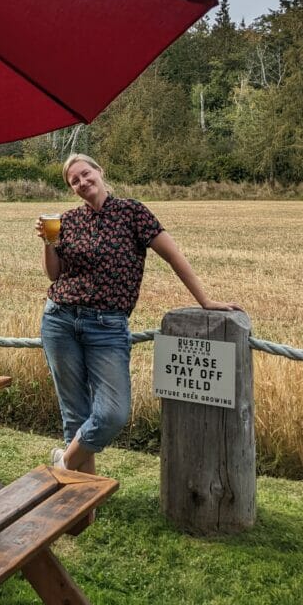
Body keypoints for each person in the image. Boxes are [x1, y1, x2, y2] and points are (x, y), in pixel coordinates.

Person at [36, 153, 243, 475]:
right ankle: (81, 505)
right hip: (59, 319)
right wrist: (49, 242)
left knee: (112, 414)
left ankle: (62, 464)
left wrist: (206, 301)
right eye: (73, 180)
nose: (82, 182)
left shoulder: (132, 212)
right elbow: (54, 275)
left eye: (85, 174)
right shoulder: (68, 220)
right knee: (75, 414)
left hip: (107, 325)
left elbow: (174, 256)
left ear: (99, 172)